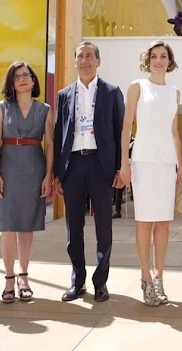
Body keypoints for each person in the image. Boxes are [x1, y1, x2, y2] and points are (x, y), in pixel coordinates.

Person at [54, 41, 124, 303]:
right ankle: (78, 280)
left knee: (104, 227)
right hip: (73, 165)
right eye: (80, 56)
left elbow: (119, 132)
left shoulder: (112, 92)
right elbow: (58, 132)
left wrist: (119, 167)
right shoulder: (64, 95)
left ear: (98, 61)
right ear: (75, 62)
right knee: (74, 228)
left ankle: (101, 282)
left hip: (101, 165)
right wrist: (57, 173)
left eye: (90, 56)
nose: (85, 60)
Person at [119, 41, 182, 306]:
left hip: (166, 162)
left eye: (163, 56)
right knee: (145, 222)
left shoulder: (175, 92)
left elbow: (173, 131)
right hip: (143, 161)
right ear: (147, 60)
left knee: (164, 223)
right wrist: (124, 163)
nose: (159, 60)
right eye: (154, 56)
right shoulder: (137, 87)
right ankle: (146, 279)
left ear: (170, 61)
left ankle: (160, 277)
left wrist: (181, 167)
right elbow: (126, 127)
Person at [0, 61, 54, 303]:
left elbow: (49, 144)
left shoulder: (45, 109)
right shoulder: (2, 108)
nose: (22, 79)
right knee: (8, 225)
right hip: (7, 167)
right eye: (17, 76)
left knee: (26, 226)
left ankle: (24, 277)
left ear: (34, 80)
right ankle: (8, 278)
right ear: (11, 82)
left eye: (26, 75)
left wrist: (48, 174)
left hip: (34, 168)